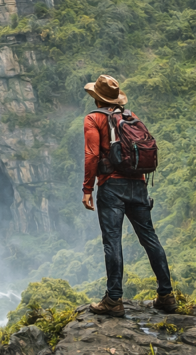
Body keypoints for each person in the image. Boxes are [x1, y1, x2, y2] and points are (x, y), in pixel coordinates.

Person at [81, 74, 175, 317]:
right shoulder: (131, 117)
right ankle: (166, 295)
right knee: (150, 238)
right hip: (139, 186)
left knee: (112, 241)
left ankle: (113, 299)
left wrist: (87, 189)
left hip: (111, 187)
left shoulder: (93, 119)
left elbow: (92, 155)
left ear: (96, 98)